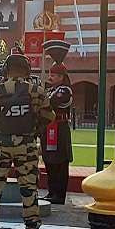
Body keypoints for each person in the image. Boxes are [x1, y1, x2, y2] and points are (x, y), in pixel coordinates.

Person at [0, 54, 54, 229]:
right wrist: (32, 130)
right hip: (27, 145)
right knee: (29, 191)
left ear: (5, 70)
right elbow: (48, 117)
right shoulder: (37, 92)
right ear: (27, 70)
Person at [41, 41, 74, 205]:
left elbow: (49, 102)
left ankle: (59, 194)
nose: (50, 77)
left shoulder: (64, 90)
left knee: (60, 162)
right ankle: (52, 191)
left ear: (61, 77)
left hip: (59, 129)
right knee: (49, 161)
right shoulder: (51, 89)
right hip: (49, 128)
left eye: (53, 75)